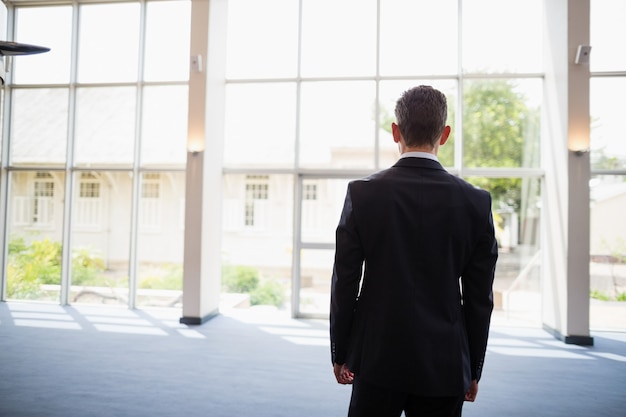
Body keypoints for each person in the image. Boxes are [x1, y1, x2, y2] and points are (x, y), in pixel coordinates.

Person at [329, 85, 498, 417]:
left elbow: (345, 282)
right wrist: (473, 368)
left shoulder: (363, 195)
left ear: (395, 132)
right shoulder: (475, 203)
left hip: (375, 357)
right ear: (445, 134)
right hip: (445, 363)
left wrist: (341, 352)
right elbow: (480, 299)